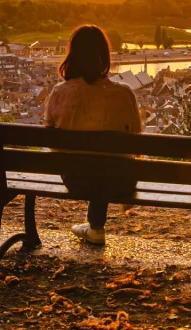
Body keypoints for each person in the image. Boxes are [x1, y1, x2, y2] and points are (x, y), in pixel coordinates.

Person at [44, 24, 142, 245]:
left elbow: (51, 139)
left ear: (72, 55)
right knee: (106, 164)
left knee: (90, 164)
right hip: (118, 181)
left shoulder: (59, 93)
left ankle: (95, 228)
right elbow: (136, 136)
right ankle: (95, 226)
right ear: (104, 56)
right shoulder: (123, 93)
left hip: (77, 180)